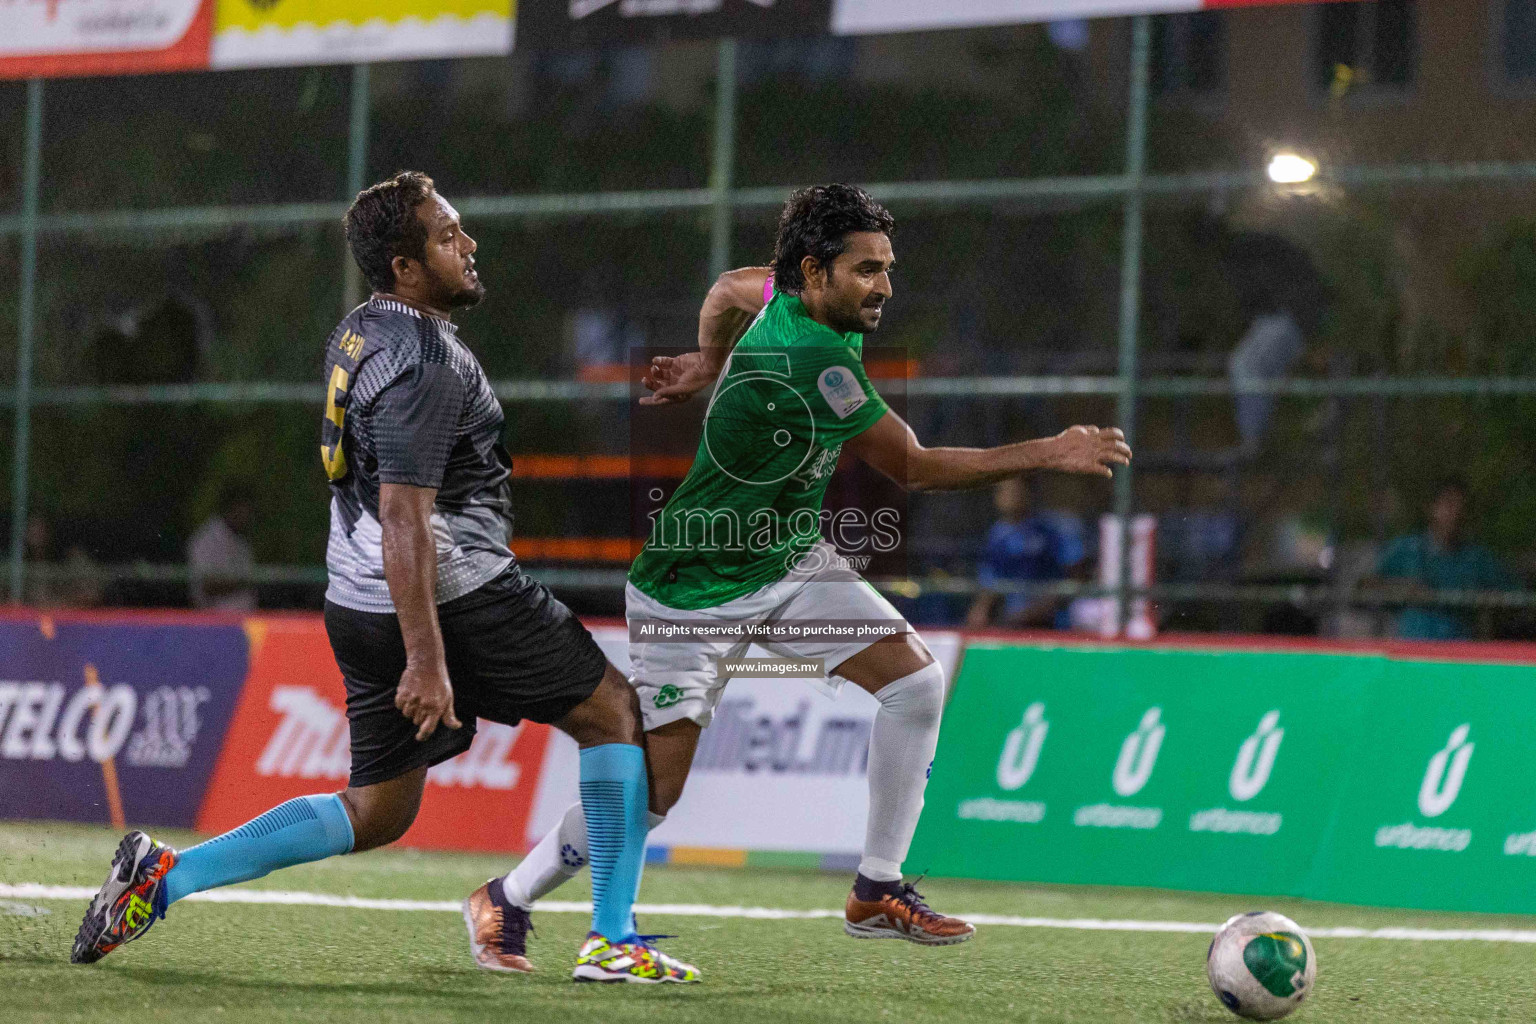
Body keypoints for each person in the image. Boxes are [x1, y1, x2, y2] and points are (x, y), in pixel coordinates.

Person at [71, 171, 698, 984]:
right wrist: (427, 658)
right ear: (405, 266)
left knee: (377, 810)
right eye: (447, 236)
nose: (468, 245)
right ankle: (613, 937)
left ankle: (165, 878)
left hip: (355, 595)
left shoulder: (363, 330)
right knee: (612, 711)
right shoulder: (427, 361)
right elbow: (405, 515)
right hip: (447, 590)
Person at [496, 184, 1130, 959]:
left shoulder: (780, 293)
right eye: (868, 270)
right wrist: (1048, 450)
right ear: (815, 271)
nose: (886, 288)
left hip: (790, 564)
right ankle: (505, 898)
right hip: (688, 598)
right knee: (654, 801)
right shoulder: (812, 354)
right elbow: (916, 468)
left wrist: (707, 362)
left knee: (916, 683)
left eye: (888, 268)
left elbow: (727, 291)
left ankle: (877, 886)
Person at [1374, 479, 1517, 640]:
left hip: (1461, 650)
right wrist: (1404, 587)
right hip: (1413, 648)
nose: (1455, 513)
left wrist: (1488, 599)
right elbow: (1365, 586)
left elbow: (1513, 596)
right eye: (1449, 504)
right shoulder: (1407, 549)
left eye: (1461, 506)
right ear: (1432, 508)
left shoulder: (1478, 558)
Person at [964, 476, 1087, 630]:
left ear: (1028, 493)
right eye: (1004, 491)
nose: (1010, 496)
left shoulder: (1049, 530)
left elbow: (1074, 576)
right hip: (1011, 620)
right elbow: (991, 579)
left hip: (1051, 621)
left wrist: (1043, 607)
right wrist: (980, 610)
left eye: (1015, 490)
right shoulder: (997, 535)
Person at [187, 488, 259, 612]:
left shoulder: (241, 541)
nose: (248, 516)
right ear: (232, 507)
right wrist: (245, 582)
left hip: (244, 620)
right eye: (245, 509)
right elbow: (207, 586)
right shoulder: (206, 539)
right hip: (215, 622)